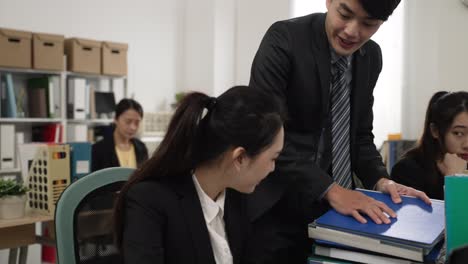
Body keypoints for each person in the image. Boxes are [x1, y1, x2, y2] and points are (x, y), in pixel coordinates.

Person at [246, 0, 431, 262]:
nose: (352, 32)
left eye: (369, 24)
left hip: (336, 216)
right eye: (344, 14)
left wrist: (382, 180)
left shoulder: (370, 56)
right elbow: (264, 134)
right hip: (277, 209)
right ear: (329, 1)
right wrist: (332, 190)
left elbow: (360, 137)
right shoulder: (285, 39)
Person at [113, 86, 285, 264]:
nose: (273, 168)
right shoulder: (149, 201)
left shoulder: (239, 199)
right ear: (240, 158)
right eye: (273, 158)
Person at [391, 91, 468, 200]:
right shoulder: (407, 170)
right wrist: (453, 179)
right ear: (435, 130)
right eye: (458, 133)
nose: (467, 144)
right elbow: (455, 216)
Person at [92, 98, 148, 171]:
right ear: (116, 119)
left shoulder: (142, 148)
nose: (133, 127)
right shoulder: (98, 150)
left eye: (137, 123)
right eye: (128, 121)